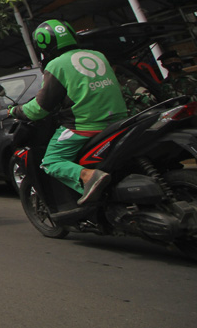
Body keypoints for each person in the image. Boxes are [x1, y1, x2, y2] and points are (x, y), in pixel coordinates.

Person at [10, 20, 128, 205]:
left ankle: (89, 177)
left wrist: (15, 110)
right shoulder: (98, 55)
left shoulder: (56, 65)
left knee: (51, 161)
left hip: (85, 126)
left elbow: (39, 109)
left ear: (43, 44)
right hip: (120, 122)